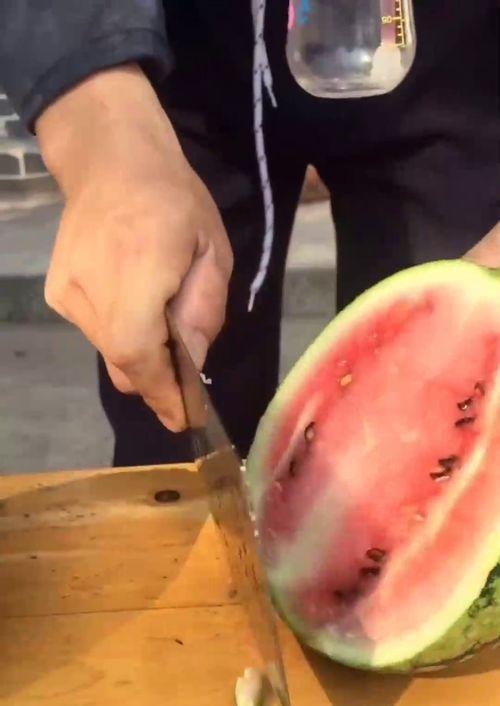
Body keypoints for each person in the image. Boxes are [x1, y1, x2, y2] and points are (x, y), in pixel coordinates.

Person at [0, 2, 498, 466]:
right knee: (169, 406)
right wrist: (100, 127)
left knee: (448, 407)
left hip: (449, 54)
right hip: (187, 54)